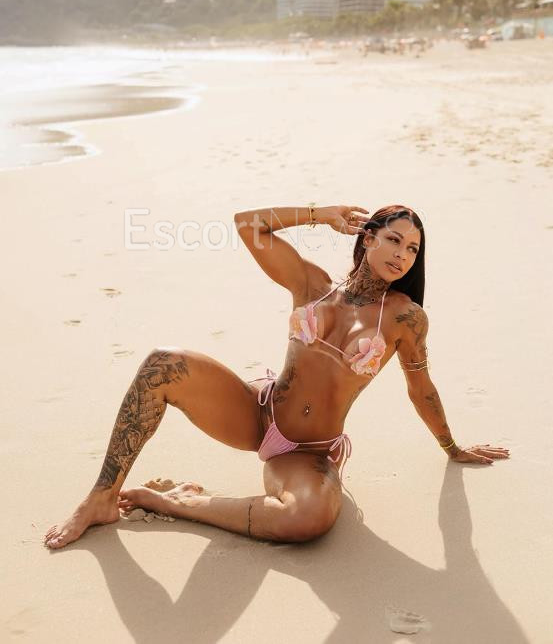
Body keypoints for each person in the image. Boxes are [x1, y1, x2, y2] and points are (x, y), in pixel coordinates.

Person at [44, 204, 509, 549]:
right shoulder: (313, 285)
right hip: (257, 413)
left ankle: (176, 501)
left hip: (306, 452)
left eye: (412, 249)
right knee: (161, 364)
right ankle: (101, 498)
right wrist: (321, 215)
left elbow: (420, 389)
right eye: (394, 240)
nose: (402, 255)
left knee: (308, 519)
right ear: (367, 238)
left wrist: (452, 447)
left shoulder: (405, 318)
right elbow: (248, 225)